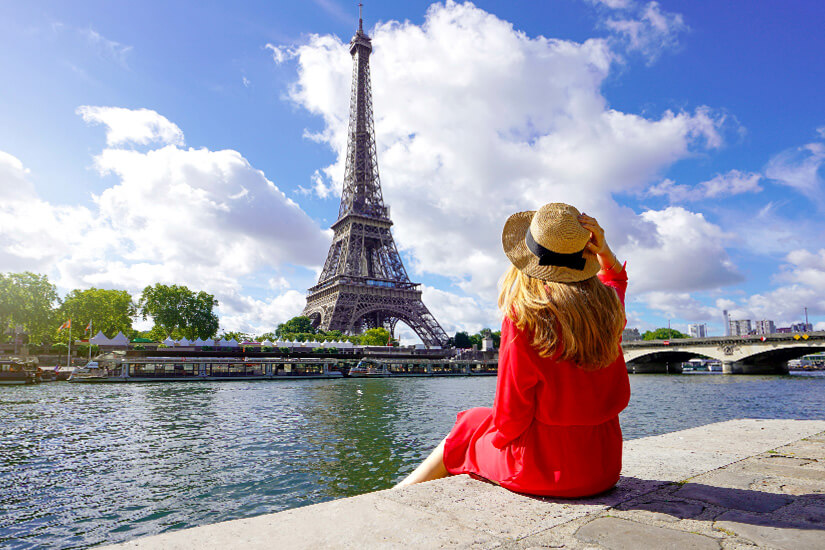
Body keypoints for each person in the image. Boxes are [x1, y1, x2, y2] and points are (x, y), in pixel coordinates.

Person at [395, 203, 630, 497]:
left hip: (543, 471)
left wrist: (489, 437)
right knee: (474, 420)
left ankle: (398, 494)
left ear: (529, 258)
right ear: (586, 254)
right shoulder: (609, 309)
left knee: (466, 427)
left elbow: (510, 417)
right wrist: (606, 252)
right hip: (603, 467)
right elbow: (615, 281)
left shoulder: (525, 316)